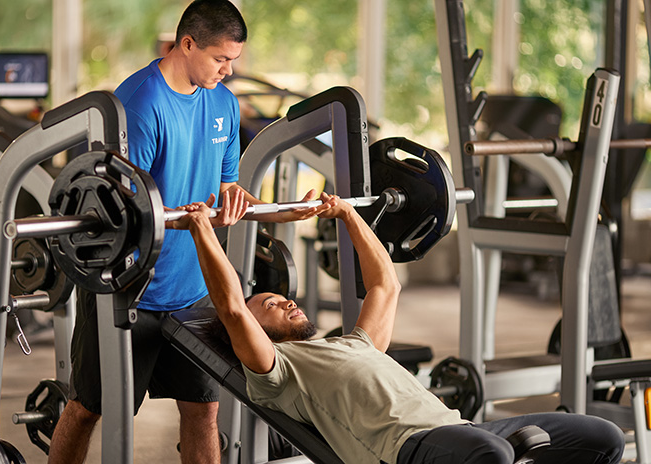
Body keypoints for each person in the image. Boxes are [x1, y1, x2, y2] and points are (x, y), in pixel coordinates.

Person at [48, 2, 328, 463]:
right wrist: (199, 218)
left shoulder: (222, 102)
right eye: (221, 58)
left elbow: (225, 195)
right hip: (130, 290)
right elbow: (123, 212)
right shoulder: (138, 104)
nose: (229, 70)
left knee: (203, 410)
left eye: (234, 59)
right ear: (187, 43)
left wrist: (279, 213)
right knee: (88, 409)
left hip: (194, 290)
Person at [173, 191, 626, 464]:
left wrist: (347, 215)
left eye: (281, 296)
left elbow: (385, 285)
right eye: (270, 304)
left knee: (602, 438)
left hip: (465, 430)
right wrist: (201, 230)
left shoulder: (355, 343)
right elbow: (231, 308)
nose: (287, 299)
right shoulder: (275, 372)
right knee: (492, 457)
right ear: (254, 331)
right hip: (409, 450)